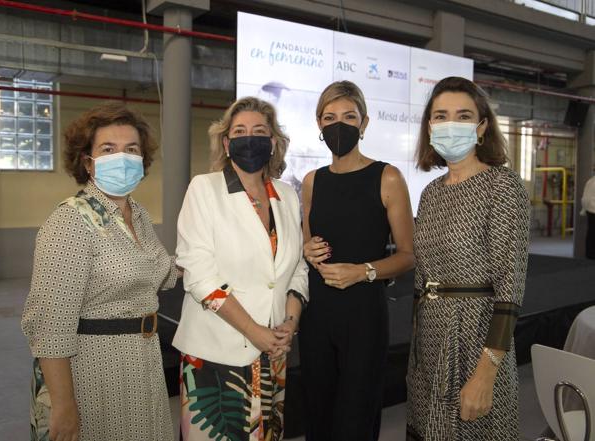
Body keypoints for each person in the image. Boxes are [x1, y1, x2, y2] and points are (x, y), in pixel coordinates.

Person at [22, 102, 178, 441]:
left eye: (131, 149)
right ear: (88, 161)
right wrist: (63, 407)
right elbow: (50, 329)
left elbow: (161, 274)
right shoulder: (70, 221)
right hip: (96, 367)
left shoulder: (137, 215)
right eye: (108, 149)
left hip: (144, 361)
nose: (121, 157)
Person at [173, 96, 309, 441]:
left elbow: (296, 269)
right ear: (226, 142)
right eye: (240, 131)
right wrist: (254, 331)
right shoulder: (204, 189)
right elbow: (199, 274)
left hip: (274, 352)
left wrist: (289, 324)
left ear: (273, 142)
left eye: (259, 131)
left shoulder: (287, 195)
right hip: (215, 356)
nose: (250, 138)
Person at [407, 76, 530, 440]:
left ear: (481, 127)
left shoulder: (502, 186)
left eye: (463, 116)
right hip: (429, 343)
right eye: (440, 115)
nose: (450, 125)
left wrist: (486, 372)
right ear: (430, 126)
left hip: (477, 341)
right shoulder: (430, 193)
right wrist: (414, 360)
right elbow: (421, 280)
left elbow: (510, 288)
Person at [300, 80, 415, 440]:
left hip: (364, 314)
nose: (339, 125)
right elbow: (307, 246)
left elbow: (409, 256)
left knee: (357, 419)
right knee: (318, 415)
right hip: (317, 315)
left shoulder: (388, 177)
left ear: (364, 124)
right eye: (330, 116)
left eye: (349, 116)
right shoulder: (311, 181)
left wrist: (363, 271)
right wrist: (307, 251)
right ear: (319, 124)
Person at [581, 174, 595, 259]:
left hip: (589, 209)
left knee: (591, 232)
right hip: (593, 208)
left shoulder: (590, 181)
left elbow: (585, 197)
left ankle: (589, 254)